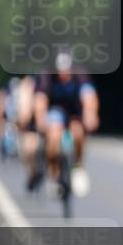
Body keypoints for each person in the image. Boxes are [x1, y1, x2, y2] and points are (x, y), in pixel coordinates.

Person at [34, 53, 99, 196]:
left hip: (75, 112)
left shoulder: (80, 75)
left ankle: (78, 165)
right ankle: (54, 172)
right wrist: (40, 119)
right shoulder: (47, 76)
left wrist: (91, 115)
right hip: (55, 110)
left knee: (79, 133)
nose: (63, 75)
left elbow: (89, 98)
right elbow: (40, 100)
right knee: (54, 137)